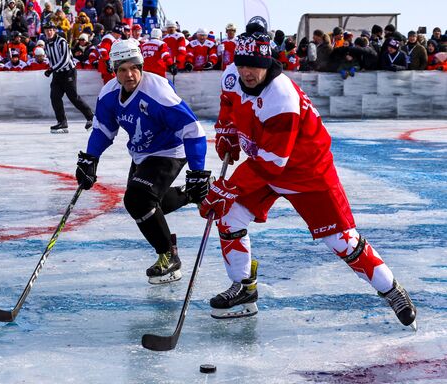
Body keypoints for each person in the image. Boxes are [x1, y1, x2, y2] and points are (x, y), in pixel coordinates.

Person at [198, 24, 417, 331]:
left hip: (305, 170)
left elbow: (273, 163)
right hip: (264, 159)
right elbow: (228, 104)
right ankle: (244, 288)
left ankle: (392, 290)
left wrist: (228, 187)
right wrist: (226, 132)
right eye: (244, 64)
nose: (248, 72)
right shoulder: (232, 75)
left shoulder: (281, 98)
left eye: (256, 66)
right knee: (230, 217)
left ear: (268, 64)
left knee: (342, 241)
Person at [75, 39, 211, 284]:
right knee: (146, 204)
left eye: (134, 67)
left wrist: (197, 172)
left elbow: (193, 130)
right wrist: (90, 158)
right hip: (142, 153)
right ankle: (189, 196)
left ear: (142, 65)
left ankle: (168, 256)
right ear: (113, 70)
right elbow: (104, 130)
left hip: (171, 150)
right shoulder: (108, 95)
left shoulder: (157, 92)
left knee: (138, 199)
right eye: (122, 69)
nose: (130, 74)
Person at [43, 21, 94, 133]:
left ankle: (91, 117)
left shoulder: (62, 42)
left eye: (51, 30)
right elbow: (52, 59)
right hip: (57, 73)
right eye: (47, 30)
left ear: (54, 30)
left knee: (73, 97)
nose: (49, 32)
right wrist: (51, 67)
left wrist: (52, 69)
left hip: (68, 72)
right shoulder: (46, 44)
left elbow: (65, 60)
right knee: (54, 97)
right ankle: (62, 122)